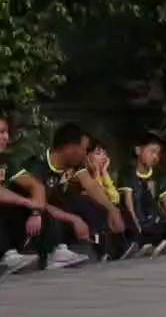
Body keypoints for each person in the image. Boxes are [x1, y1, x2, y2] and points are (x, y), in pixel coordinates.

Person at [5, 123, 124, 269]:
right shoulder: (37, 164)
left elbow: (91, 185)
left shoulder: (74, 165)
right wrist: (74, 219)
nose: (86, 154)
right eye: (84, 149)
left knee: (87, 202)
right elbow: (39, 202)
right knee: (51, 209)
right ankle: (50, 252)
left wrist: (111, 209)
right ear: (70, 149)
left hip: (47, 209)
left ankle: (106, 248)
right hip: (25, 213)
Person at [119, 133, 166, 257]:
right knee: (135, 231)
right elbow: (128, 202)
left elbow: (164, 196)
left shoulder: (158, 173)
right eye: (152, 152)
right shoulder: (128, 172)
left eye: (157, 153)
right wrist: (134, 222)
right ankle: (145, 245)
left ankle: (160, 245)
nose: (155, 157)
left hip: (152, 219)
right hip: (137, 217)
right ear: (138, 150)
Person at [0, 116, 41, 275]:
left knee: (26, 195)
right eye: (1, 132)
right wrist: (26, 202)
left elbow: (35, 185)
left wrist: (36, 212)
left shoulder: (6, 161)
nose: (6, 137)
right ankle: (8, 255)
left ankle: (32, 249)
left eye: (7, 132)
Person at [84, 136, 129, 260]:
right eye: (98, 153)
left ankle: (123, 248)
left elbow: (115, 198)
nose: (103, 157)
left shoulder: (103, 174)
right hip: (91, 210)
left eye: (105, 153)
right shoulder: (83, 175)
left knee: (118, 207)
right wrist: (97, 173)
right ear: (87, 156)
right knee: (104, 209)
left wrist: (103, 172)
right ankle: (104, 251)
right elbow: (98, 195)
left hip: (105, 209)